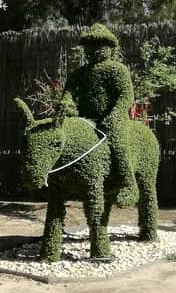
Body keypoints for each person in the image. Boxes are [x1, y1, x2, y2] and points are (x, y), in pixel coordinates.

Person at [57, 24, 138, 206]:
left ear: (110, 48)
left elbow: (126, 96)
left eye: (100, 45)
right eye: (90, 46)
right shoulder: (79, 73)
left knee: (117, 141)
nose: (94, 50)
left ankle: (128, 184)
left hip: (112, 119)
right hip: (85, 119)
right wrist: (67, 105)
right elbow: (68, 93)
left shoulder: (117, 70)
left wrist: (115, 114)